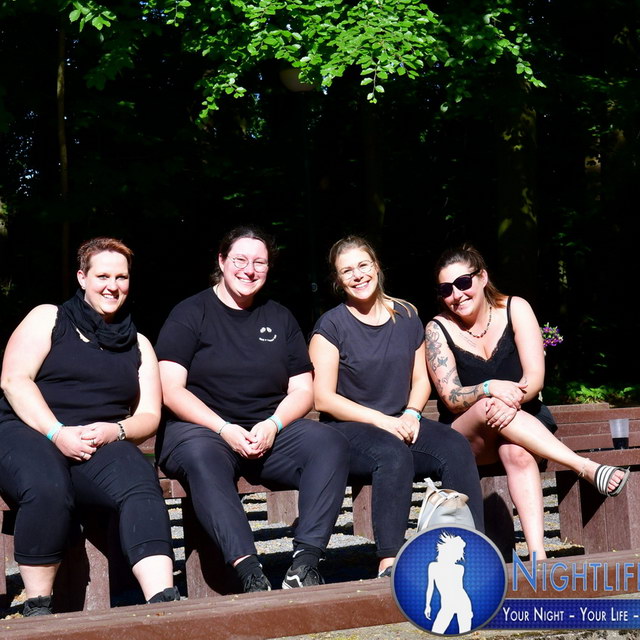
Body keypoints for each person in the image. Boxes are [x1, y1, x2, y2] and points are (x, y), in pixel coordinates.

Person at [155, 225, 350, 592]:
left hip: (266, 433)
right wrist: (223, 428)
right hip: (202, 430)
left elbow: (302, 389)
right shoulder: (190, 313)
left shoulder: (279, 317)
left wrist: (274, 424)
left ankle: (305, 564)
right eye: (240, 260)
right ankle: (250, 572)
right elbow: (170, 389)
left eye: (259, 262)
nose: (249, 270)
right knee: (202, 456)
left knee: (330, 442)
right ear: (221, 261)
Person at [0, 237, 178, 617]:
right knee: (47, 487)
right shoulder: (48, 318)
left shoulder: (139, 344)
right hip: (29, 429)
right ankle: (37, 605)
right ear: (82, 278)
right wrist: (56, 432)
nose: (112, 286)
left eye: (121, 277)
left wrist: (117, 431)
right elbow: (14, 380)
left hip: (98, 439)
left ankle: (163, 603)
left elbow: (149, 413)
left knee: (141, 483)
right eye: (102, 276)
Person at [425, 244, 630, 559]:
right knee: (485, 405)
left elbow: (534, 378)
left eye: (463, 283)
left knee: (516, 451)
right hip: (470, 436)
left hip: (523, 420)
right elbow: (451, 398)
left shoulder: (515, 308)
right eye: (446, 289)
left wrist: (508, 400)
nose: (456, 295)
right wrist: (489, 389)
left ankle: (538, 555)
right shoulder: (438, 329)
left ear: (482, 277)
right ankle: (585, 467)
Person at [308, 235, 484, 579]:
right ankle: (389, 562)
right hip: (348, 429)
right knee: (392, 453)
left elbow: (421, 379)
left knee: (454, 445)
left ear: (376, 266)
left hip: (401, 420)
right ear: (338, 280)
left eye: (363, 265)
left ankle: (470, 548)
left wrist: (412, 413)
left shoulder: (406, 315)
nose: (358, 275)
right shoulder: (331, 325)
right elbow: (323, 398)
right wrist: (383, 421)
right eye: (347, 271)